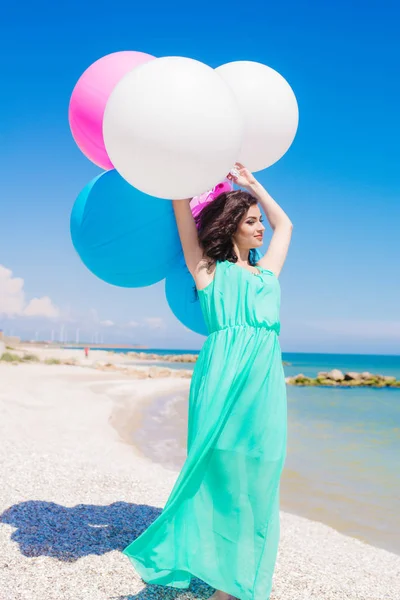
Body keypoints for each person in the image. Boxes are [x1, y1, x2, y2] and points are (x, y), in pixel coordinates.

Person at [122, 162, 293, 600]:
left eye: (258, 221)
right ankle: (225, 582)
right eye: (251, 221)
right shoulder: (207, 270)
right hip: (221, 377)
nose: (261, 229)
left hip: (265, 383)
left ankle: (243, 578)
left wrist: (253, 185)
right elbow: (183, 214)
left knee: (261, 475)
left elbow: (286, 223)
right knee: (216, 471)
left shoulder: (267, 272)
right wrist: (179, 168)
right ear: (231, 225)